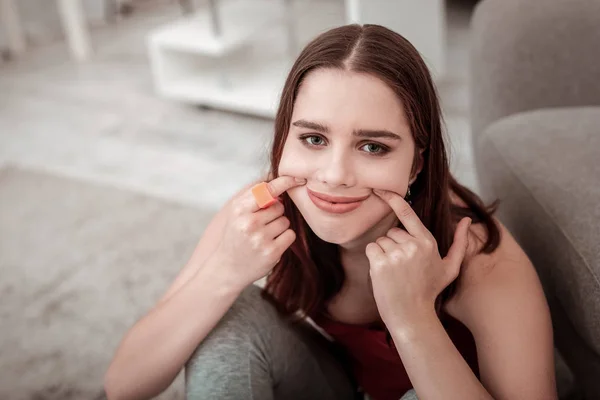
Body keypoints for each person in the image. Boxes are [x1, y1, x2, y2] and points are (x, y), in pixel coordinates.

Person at [104, 24, 558, 400]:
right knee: (229, 310)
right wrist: (224, 270)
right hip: (340, 386)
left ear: (417, 164)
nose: (334, 174)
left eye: (373, 146)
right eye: (314, 139)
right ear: (285, 139)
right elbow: (123, 387)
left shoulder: (478, 257)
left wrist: (414, 319)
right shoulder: (262, 212)